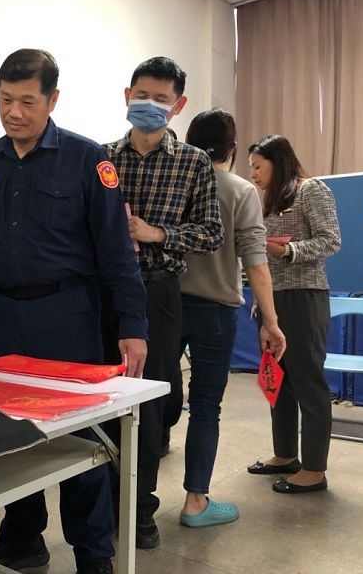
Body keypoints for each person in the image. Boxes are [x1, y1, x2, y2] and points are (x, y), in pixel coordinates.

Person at [0, 49, 148, 574]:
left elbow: (116, 251)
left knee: (80, 439)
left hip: (68, 319)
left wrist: (132, 324)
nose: (13, 112)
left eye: (26, 101)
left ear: (52, 100)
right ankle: (22, 537)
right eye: (4, 100)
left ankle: (93, 554)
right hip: (3, 320)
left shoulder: (88, 160)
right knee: (15, 435)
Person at [100, 57, 223, 548]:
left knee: (151, 403)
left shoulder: (193, 162)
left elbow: (211, 233)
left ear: (178, 105)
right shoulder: (102, 158)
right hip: (103, 293)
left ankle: (139, 508)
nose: (148, 104)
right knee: (102, 397)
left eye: (160, 99)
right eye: (141, 95)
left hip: (158, 291)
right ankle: (103, 503)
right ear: (126, 95)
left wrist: (157, 233)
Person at [169, 109, 287, 527]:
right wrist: (270, 321)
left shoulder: (174, 182)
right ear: (232, 149)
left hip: (164, 303)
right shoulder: (240, 190)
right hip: (215, 309)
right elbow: (255, 261)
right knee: (205, 405)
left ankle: (133, 498)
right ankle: (195, 502)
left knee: (149, 397)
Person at [246, 135, 340, 494]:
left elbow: (330, 240)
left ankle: (314, 469)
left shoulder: (311, 189)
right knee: (277, 379)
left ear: (278, 161)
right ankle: (285, 454)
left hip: (304, 297)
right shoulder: (269, 199)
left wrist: (287, 251)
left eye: (258, 166)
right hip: (272, 301)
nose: (253, 174)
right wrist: (261, 300)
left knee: (307, 380)